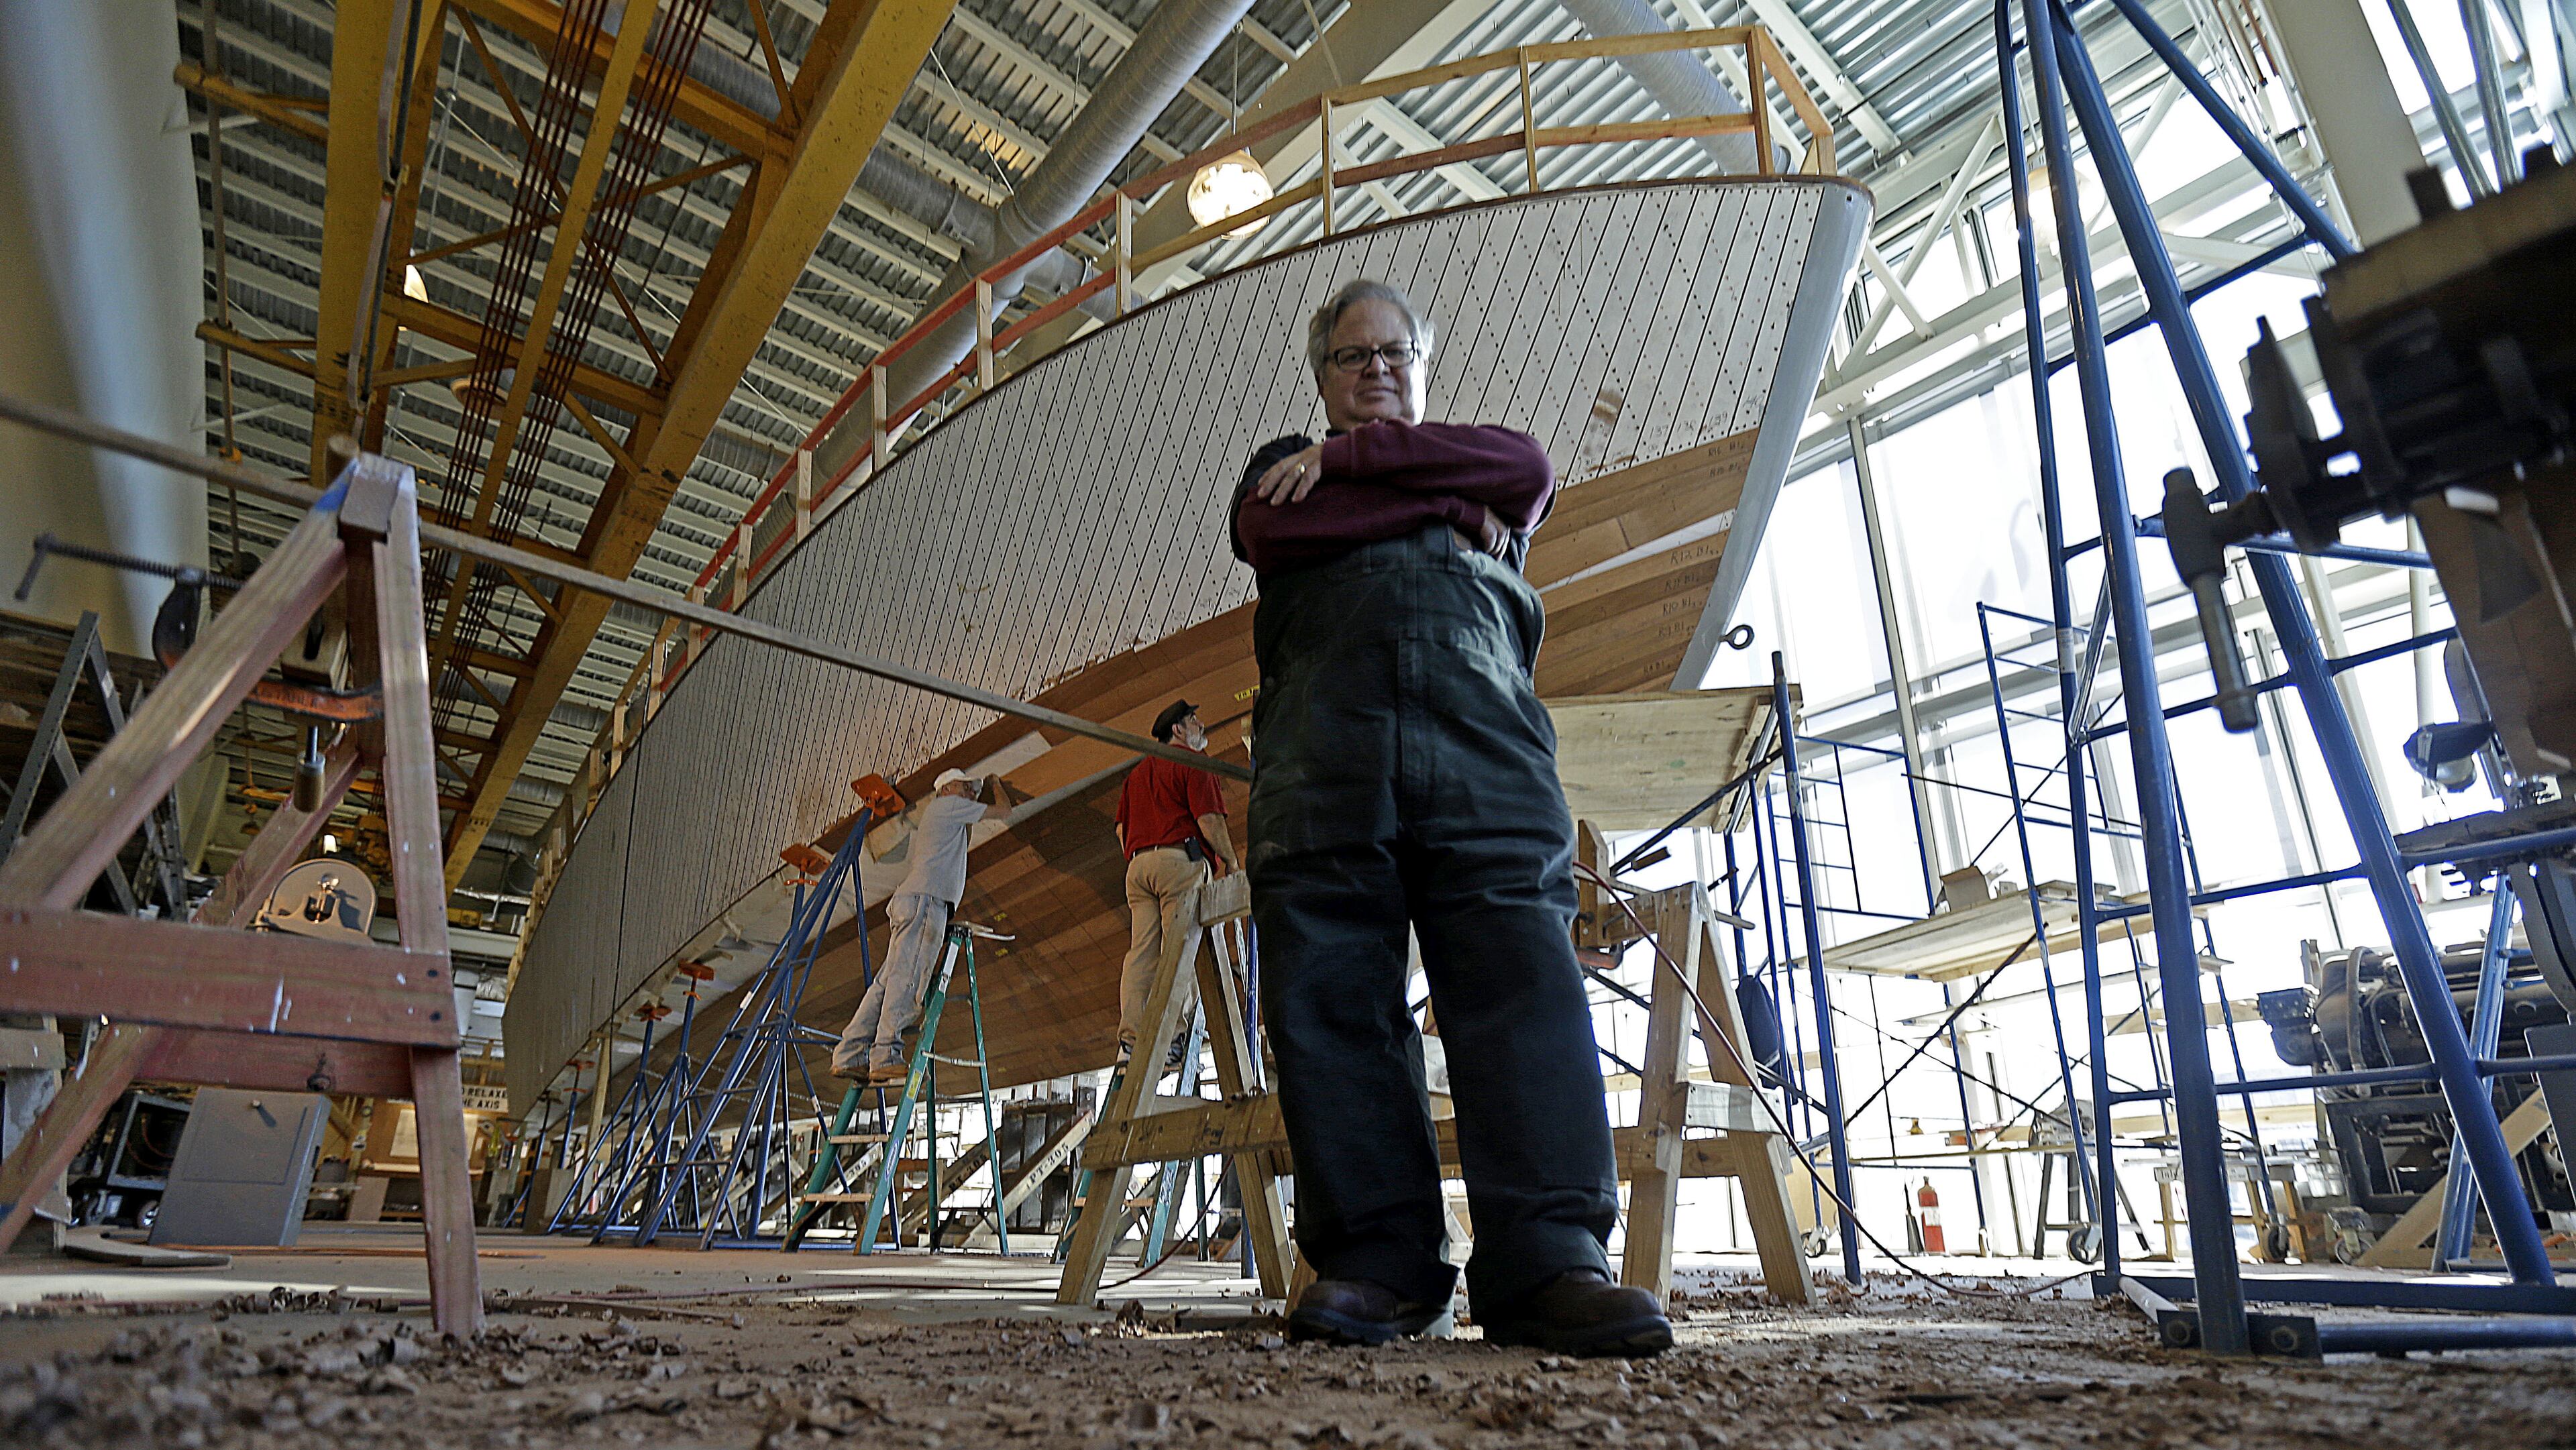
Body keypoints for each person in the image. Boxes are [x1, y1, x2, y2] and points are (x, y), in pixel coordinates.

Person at [1231, 278, 1670, 1357]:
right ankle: (1378, 1262)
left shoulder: (1456, 457)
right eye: (1351, 357)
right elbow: (1264, 530)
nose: (1375, 367)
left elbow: (1527, 472)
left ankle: (1548, 1259)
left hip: (1486, 754)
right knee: (1332, 1001)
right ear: (1320, 380)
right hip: (1323, 760)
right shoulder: (1276, 468)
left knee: (1522, 985)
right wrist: (1440, 504)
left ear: (1420, 370)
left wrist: (1348, 469)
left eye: (1393, 353)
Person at [832, 768, 1009, 1084]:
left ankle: (849, 1053)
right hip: (927, 903)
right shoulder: (948, 806)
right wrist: (996, 783)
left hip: (911, 901)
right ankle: (885, 1054)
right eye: (966, 788)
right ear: (946, 788)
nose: (971, 794)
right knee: (909, 979)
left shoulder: (944, 815)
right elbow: (1005, 811)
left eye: (974, 790)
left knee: (887, 983)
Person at [1112, 700, 1242, 1070]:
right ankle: (1172, 1040)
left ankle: (1131, 1042)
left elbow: (1122, 830)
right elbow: (1209, 820)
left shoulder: (1136, 775)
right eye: (1194, 721)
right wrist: (1231, 860)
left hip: (1139, 868)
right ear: (1178, 730)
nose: (1202, 726)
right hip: (1179, 863)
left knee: (1142, 954)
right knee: (1182, 948)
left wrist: (1145, 855)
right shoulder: (1194, 762)